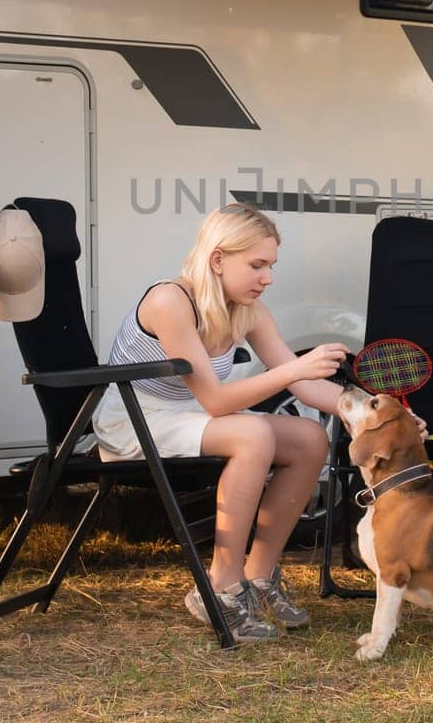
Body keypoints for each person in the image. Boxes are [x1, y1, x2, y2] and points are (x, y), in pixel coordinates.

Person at [90, 203, 352, 643]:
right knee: (253, 434)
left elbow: (308, 391)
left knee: (309, 438)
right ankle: (221, 587)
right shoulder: (169, 301)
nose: (267, 277)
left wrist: (374, 411)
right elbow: (216, 400)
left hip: (187, 416)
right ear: (217, 259)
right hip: (137, 421)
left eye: (270, 265)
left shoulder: (247, 310)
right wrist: (295, 370)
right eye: (256, 264)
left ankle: (261, 577)